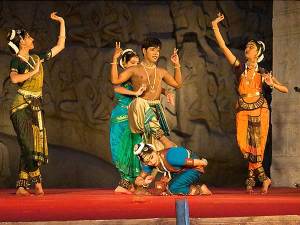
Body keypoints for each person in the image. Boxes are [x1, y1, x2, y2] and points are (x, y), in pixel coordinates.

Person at [211, 13, 288, 194]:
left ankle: (253, 178)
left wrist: (272, 84)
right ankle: (263, 178)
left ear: (258, 52)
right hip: (243, 108)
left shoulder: (263, 72)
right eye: (246, 46)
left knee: (257, 145)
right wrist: (215, 26)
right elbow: (223, 47)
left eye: (251, 46)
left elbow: (285, 89)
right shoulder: (239, 67)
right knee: (244, 144)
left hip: (260, 108)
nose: (247, 48)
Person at [7, 12, 65, 196]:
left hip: (36, 106)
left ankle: (21, 186)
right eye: (29, 37)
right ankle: (37, 182)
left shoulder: (36, 58)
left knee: (31, 145)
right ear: (22, 42)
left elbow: (60, 46)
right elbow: (14, 79)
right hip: (21, 106)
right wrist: (32, 74)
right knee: (27, 144)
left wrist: (62, 22)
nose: (32, 39)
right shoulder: (17, 60)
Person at [110, 43, 175, 194]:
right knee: (123, 151)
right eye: (132, 63)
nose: (135, 65)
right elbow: (116, 87)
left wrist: (166, 92)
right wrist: (136, 94)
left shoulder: (136, 77)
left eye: (137, 62)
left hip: (135, 118)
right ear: (124, 64)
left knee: (139, 150)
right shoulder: (125, 79)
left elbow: (156, 86)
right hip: (122, 118)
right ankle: (125, 183)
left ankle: (132, 184)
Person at [111, 37, 182, 152]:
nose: (156, 53)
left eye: (158, 51)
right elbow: (115, 81)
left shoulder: (161, 71)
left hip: (155, 112)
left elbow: (177, 84)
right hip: (138, 112)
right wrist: (114, 59)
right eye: (153, 50)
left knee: (153, 152)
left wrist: (177, 65)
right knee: (139, 102)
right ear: (144, 51)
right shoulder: (135, 69)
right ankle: (164, 140)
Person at [133, 142, 212, 195]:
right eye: (147, 161)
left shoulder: (170, 156)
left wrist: (203, 162)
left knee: (174, 188)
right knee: (164, 187)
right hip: (179, 171)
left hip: (193, 167)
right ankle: (188, 187)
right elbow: (138, 180)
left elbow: (191, 162)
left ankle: (200, 189)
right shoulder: (149, 163)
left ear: (155, 151)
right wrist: (144, 182)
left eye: (152, 157)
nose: (152, 162)